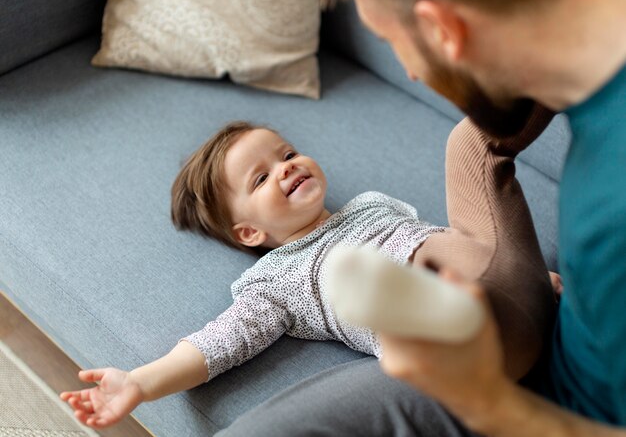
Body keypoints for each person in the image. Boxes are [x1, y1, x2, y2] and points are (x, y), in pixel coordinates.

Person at [218, 0, 626, 435]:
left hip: (545, 400)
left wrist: (489, 403)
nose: (410, 71)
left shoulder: (607, 219)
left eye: (393, 40)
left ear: (441, 29)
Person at [60, 118, 558, 430]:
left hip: (508, 287)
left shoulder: (370, 204)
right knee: (350, 275)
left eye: (287, 153)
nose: (286, 167)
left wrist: (517, 274)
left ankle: (577, 56)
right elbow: (216, 343)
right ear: (249, 233)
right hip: (459, 357)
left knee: (469, 141)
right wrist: (140, 384)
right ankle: (452, 313)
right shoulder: (278, 279)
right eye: (261, 178)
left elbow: (448, 238)